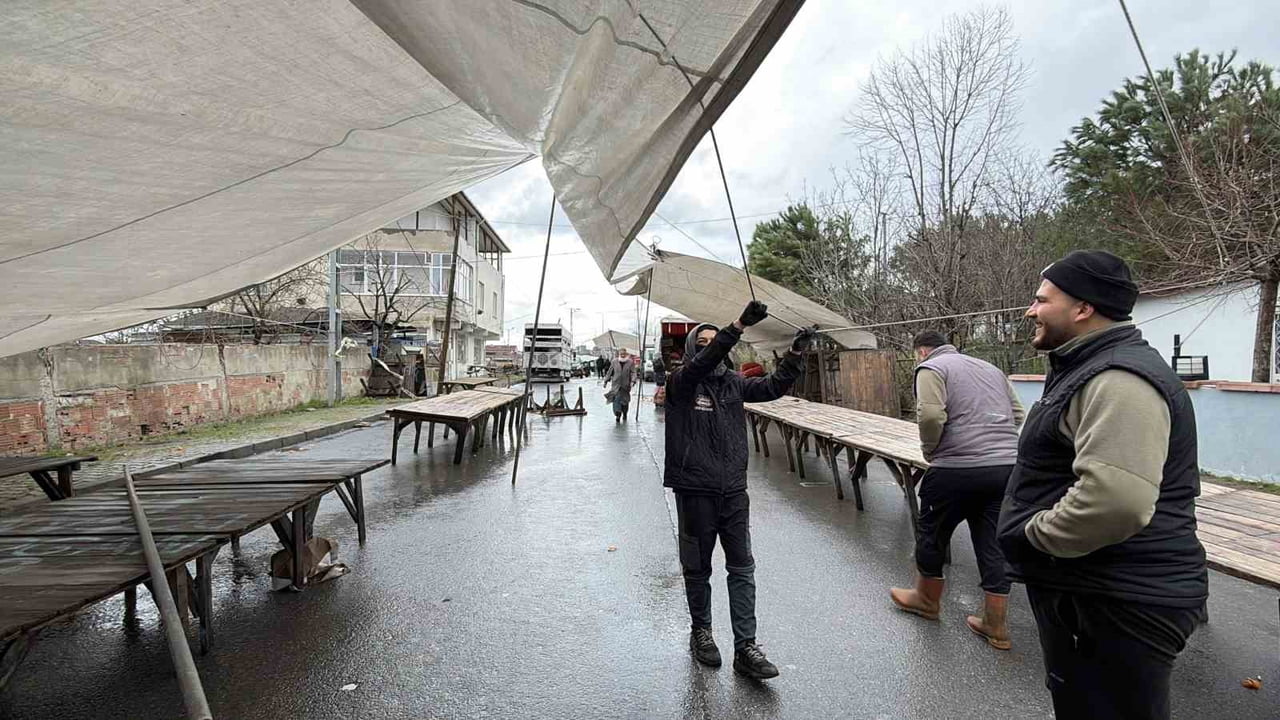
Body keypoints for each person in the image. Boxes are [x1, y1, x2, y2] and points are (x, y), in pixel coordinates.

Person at [998, 250, 1207, 720]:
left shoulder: (1117, 378)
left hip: (1117, 598)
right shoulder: (1086, 368)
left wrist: (1031, 537)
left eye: (1041, 300)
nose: (1031, 310)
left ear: (1083, 308)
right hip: (1097, 586)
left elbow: (1117, 501)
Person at [664, 300, 816, 680]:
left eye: (716, 340)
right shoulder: (681, 382)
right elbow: (702, 362)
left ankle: (745, 646)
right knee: (697, 569)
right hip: (694, 491)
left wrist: (796, 354)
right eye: (705, 342)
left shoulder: (733, 384)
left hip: (733, 491)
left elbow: (773, 387)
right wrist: (736, 327)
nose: (713, 347)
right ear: (692, 350)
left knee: (742, 568)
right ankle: (701, 632)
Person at [889, 330, 1025, 650]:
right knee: (992, 541)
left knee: (932, 533)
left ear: (922, 351)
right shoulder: (992, 369)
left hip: (955, 469)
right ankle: (996, 624)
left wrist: (930, 449)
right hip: (1005, 469)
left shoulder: (932, 368)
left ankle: (926, 600)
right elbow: (1018, 414)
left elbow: (932, 414)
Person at [604, 348, 636, 423]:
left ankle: (624, 413)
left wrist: (633, 381)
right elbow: (610, 372)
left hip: (625, 385)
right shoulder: (614, 361)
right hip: (616, 385)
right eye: (621, 354)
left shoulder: (630, 362)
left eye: (624, 354)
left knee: (625, 401)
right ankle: (618, 414)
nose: (622, 355)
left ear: (626, 354)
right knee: (616, 399)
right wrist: (606, 381)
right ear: (619, 354)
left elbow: (633, 372)